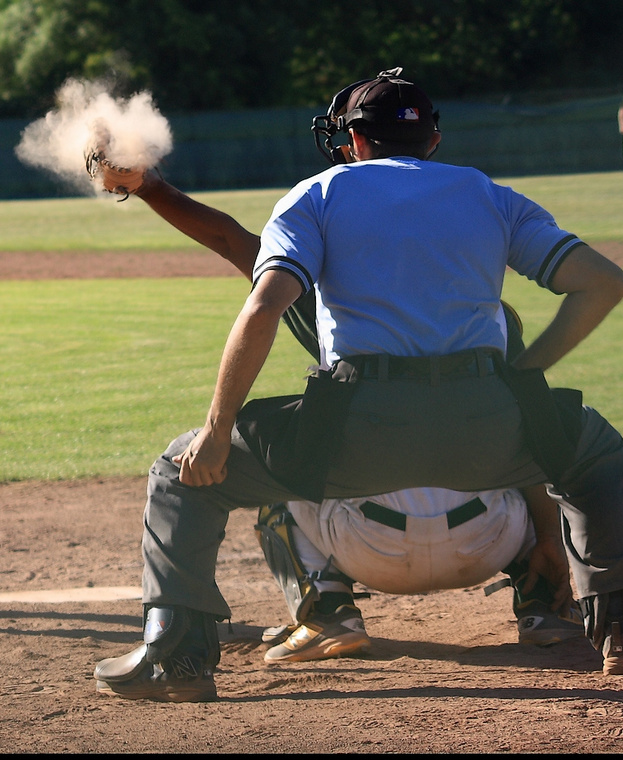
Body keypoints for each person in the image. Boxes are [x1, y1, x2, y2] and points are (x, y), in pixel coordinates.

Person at [91, 67, 623, 703]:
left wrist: (219, 427)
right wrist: (528, 372)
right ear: (432, 140)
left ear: (354, 140)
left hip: (357, 431)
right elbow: (604, 281)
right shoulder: (487, 195)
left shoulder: (318, 195)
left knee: (181, 474)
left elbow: (259, 298)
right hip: (485, 428)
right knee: (593, 451)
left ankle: (181, 655)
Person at [89, 160, 583, 664]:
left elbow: (230, 239)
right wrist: (547, 537)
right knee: (532, 444)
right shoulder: (491, 326)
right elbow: (537, 443)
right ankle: (543, 606)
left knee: (281, 459)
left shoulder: (330, 296)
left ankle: (327, 612)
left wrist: (148, 186)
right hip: (490, 542)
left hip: (367, 545)